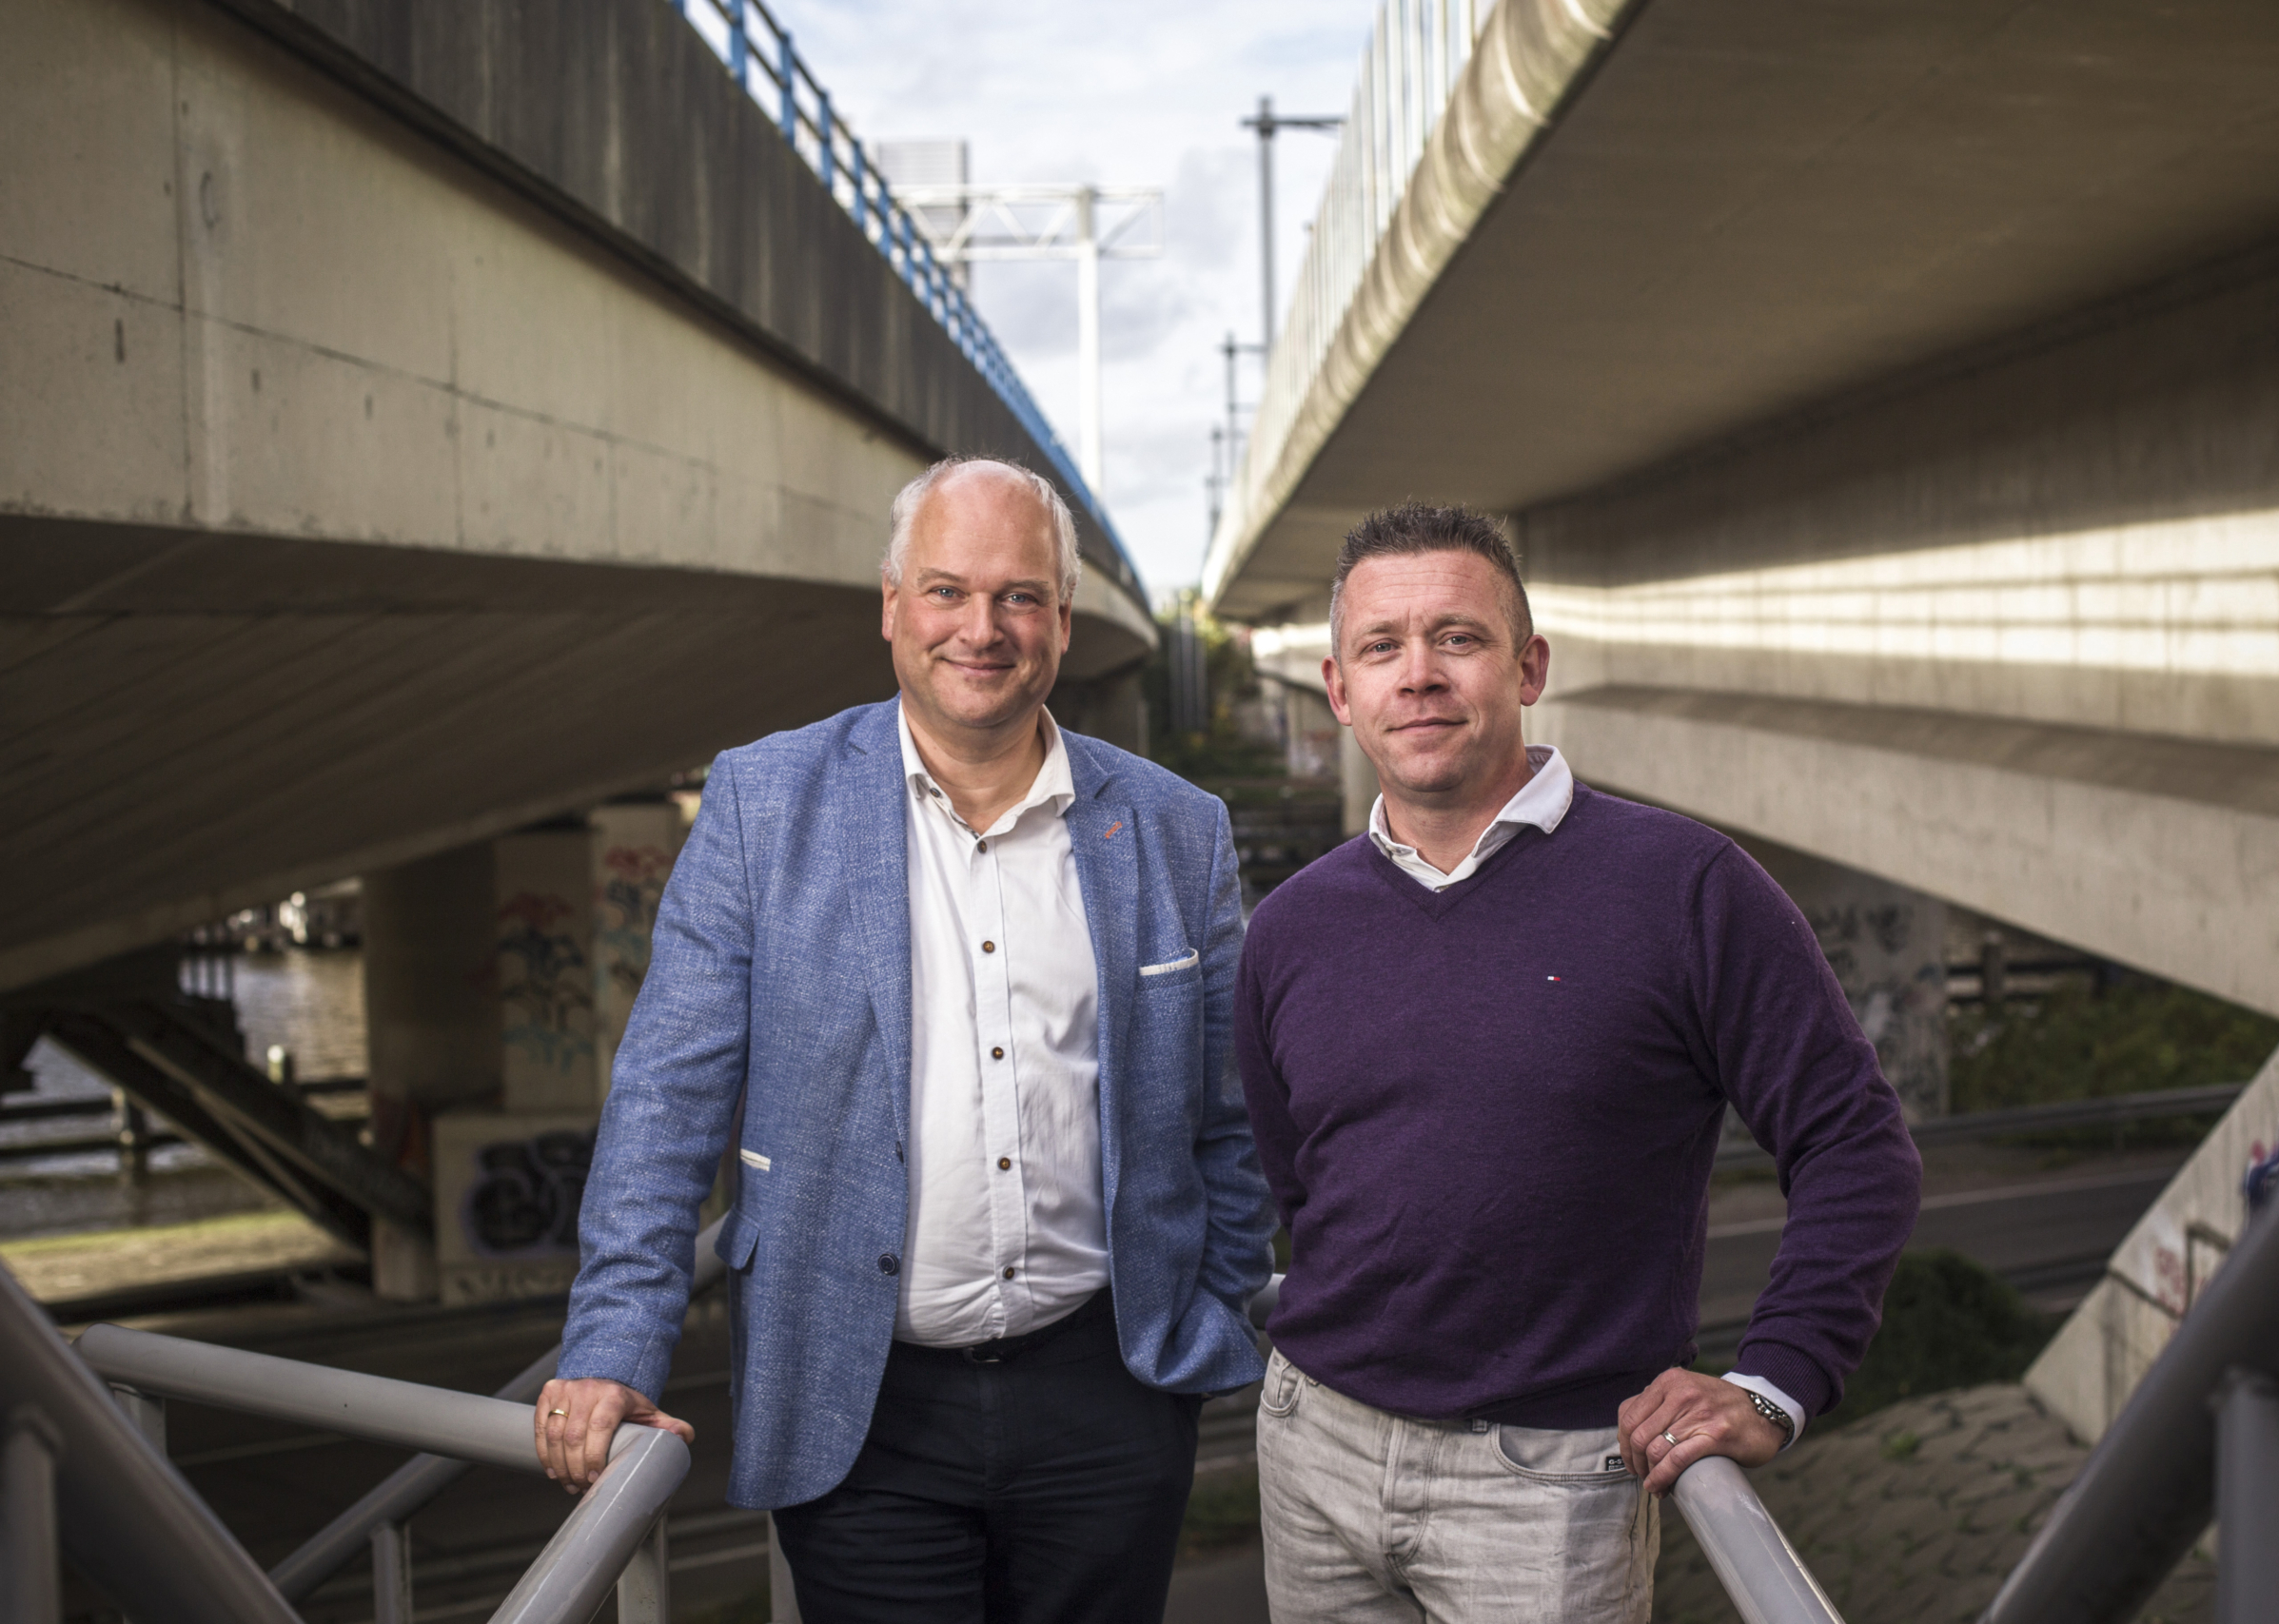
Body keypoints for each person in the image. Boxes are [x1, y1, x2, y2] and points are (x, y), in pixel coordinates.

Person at [534, 459, 1274, 1623]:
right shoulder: (761, 804)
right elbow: (667, 1100)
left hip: (1109, 1394)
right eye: (946, 591)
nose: (982, 629)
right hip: (858, 1399)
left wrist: (1213, 1310)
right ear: (890, 608)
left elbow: (1229, 1112)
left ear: (1063, 623)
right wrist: (615, 1344)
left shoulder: (1176, 827)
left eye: (1020, 597)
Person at [1234, 502, 1922, 1622]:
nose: (1418, 675)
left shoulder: (1689, 888)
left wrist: (1778, 1378)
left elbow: (1856, 1146)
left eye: (1456, 637)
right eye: (1381, 647)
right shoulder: (1293, 927)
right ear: (1337, 688)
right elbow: (1301, 1181)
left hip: (1548, 1485)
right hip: (1315, 1445)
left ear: (1528, 665)